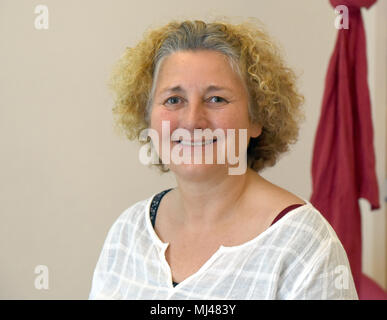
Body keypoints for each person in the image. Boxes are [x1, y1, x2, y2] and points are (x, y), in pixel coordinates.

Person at [89, 18, 358, 299]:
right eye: (173, 100)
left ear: (258, 118)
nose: (193, 121)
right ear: (147, 118)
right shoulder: (128, 232)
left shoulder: (305, 245)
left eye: (216, 99)